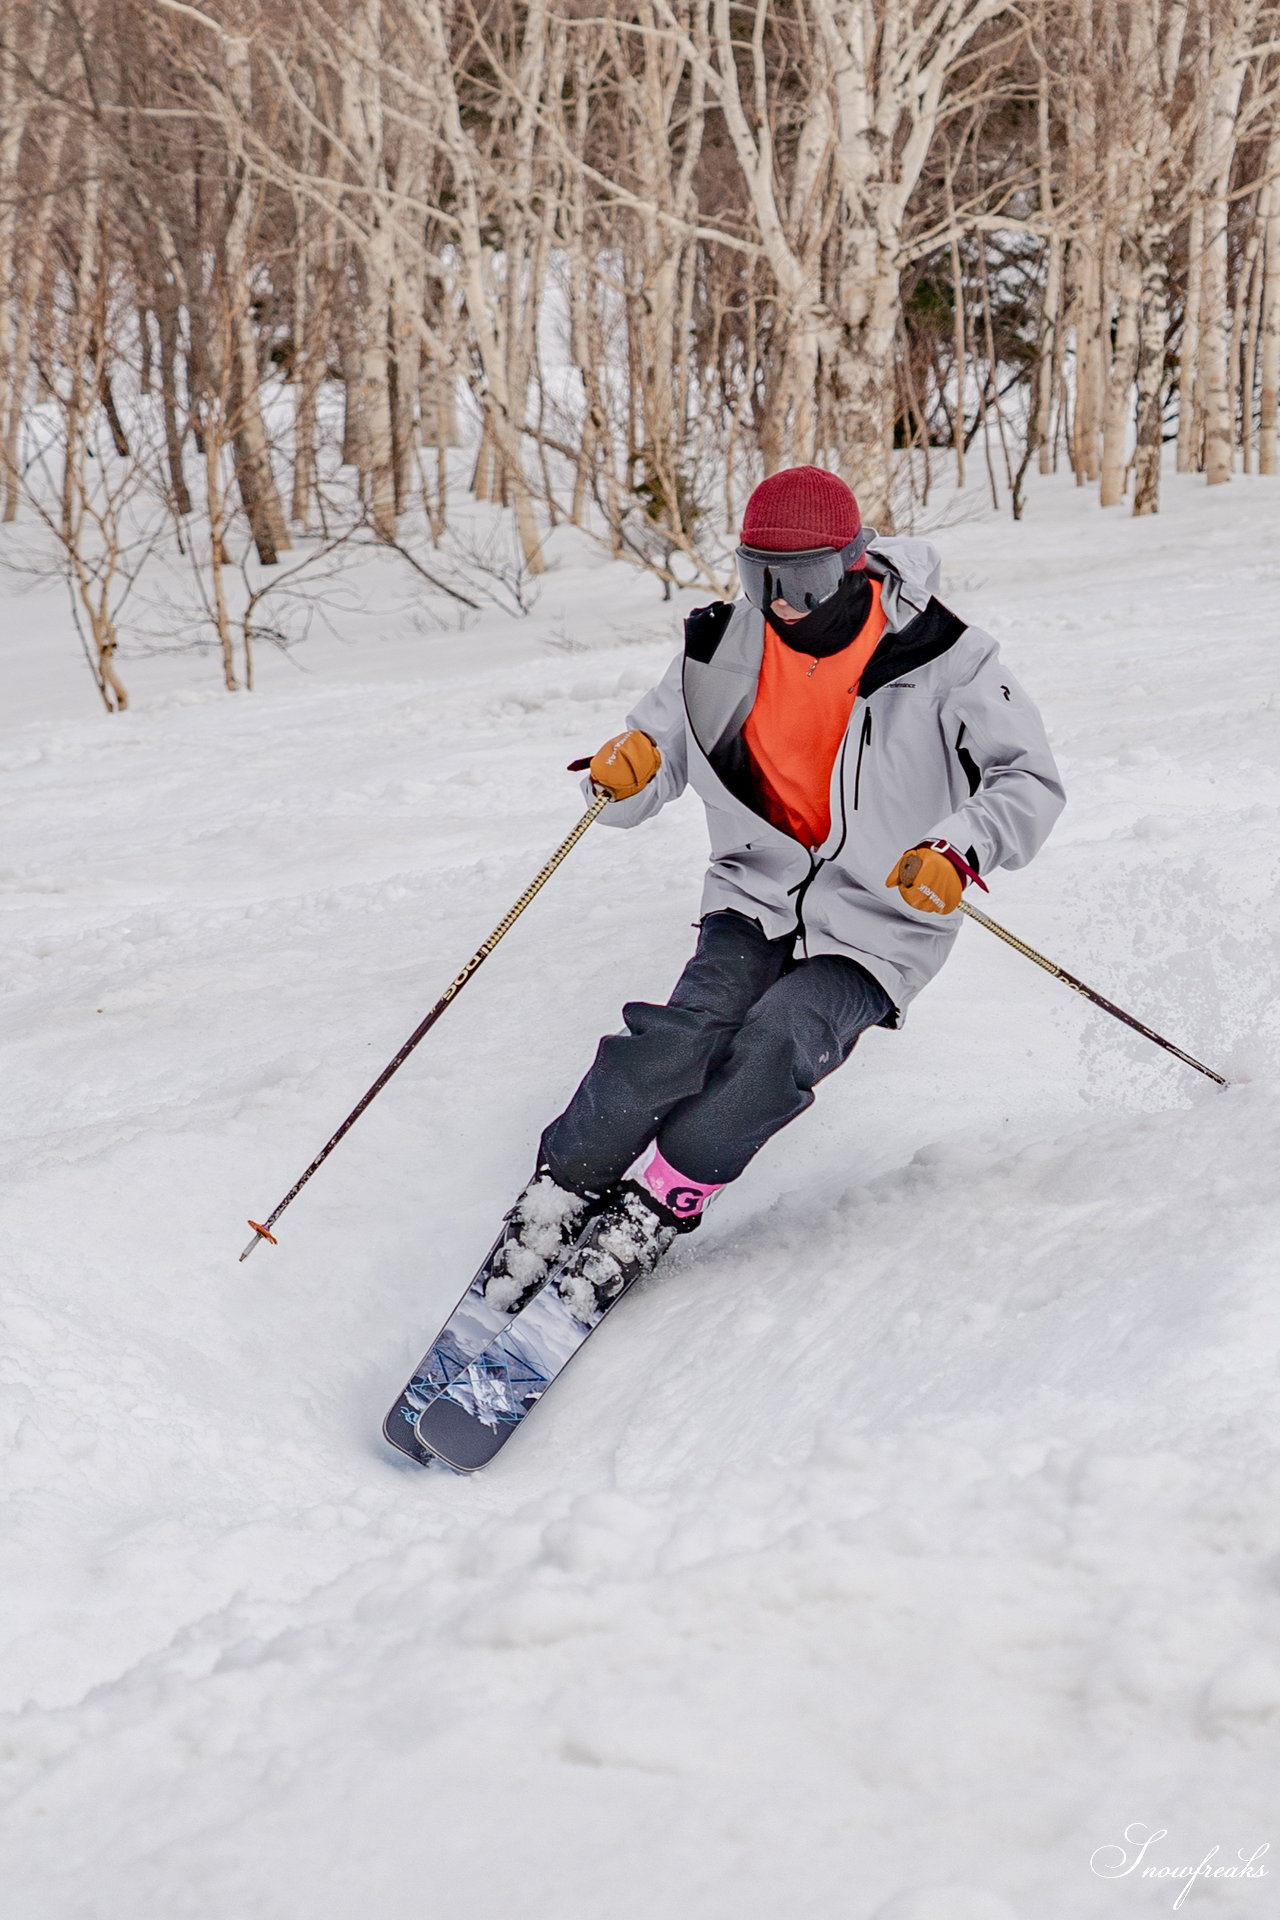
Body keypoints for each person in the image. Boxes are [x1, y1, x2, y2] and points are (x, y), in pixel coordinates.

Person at [481, 465, 1065, 1318]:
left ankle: (653, 1209)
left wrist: (958, 849)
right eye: (761, 578)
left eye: (805, 580)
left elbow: (1029, 781)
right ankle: (554, 1199)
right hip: (756, 893)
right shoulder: (724, 648)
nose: (784, 603)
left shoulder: (944, 657)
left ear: (856, 564)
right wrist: (628, 768)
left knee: (776, 1046)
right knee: (675, 1040)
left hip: (879, 917)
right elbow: (653, 755)